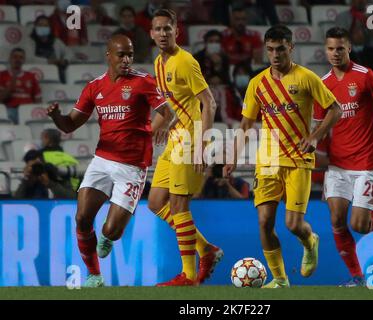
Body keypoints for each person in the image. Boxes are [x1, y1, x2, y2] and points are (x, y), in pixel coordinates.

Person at [46, 34, 176, 287]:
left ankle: (108, 236)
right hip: (102, 161)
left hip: (132, 167)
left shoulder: (143, 82)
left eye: (130, 54)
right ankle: (94, 275)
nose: (126, 60)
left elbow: (167, 112)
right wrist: (56, 117)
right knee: (82, 217)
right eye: (121, 54)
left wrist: (156, 129)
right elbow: (70, 125)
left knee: (110, 231)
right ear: (109, 55)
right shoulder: (95, 87)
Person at [224, 25, 342, 288]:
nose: (275, 55)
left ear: (291, 47)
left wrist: (314, 136)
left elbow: (336, 109)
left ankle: (310, 241)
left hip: (298, 160)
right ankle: (280, 279)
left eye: (280, 49)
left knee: (292, 224)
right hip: (267, 161)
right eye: (270, 50)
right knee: (264, 222)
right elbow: (245, 125)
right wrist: (232, 157)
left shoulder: (307, 78)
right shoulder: (257, 83)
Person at [313, 27, 373, 287]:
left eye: (340, 48)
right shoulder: (322, 85)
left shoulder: (365, 76)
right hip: (337, 165)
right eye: (331, 48)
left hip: (367, 163)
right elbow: (320, 127)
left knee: (360, 225)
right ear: (325, 49)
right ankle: (357, 277)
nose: (335, 53)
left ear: (349, 48)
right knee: (335, 219)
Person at [148, 9, 223, 286]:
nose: (163, 33)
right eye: (158, 29)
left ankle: (189, 275)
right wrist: (152, 130)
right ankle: (206, 249)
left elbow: (209, 103)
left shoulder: (186, 62)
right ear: (152, 33)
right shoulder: (158, 63)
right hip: (175, 137)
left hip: (191, 138)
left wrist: (202, 145)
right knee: (156, 202)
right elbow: (172, 107)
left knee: (179, 205)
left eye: (168, 28)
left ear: (176, 30)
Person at [0, 48, 42, 124]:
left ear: (24, 60)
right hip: (10, 108)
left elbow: (38, 99)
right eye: (15, 57)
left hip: (27, 109)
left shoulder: (31, 76)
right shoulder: (2, 75)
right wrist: (13, 80)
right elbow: (1, 98)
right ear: (10, 59)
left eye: (21, 57)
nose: (18, 60)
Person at [28, 15, 69, 83]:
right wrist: (48, 61)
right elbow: (28, 58)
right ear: (35, 27)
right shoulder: (29, 41)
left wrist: (65, 60)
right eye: (40, 25)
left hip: (55, 73)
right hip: (36, 72)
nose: (43, 27)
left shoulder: (56, 41)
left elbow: (69, 52)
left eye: (46, 25)